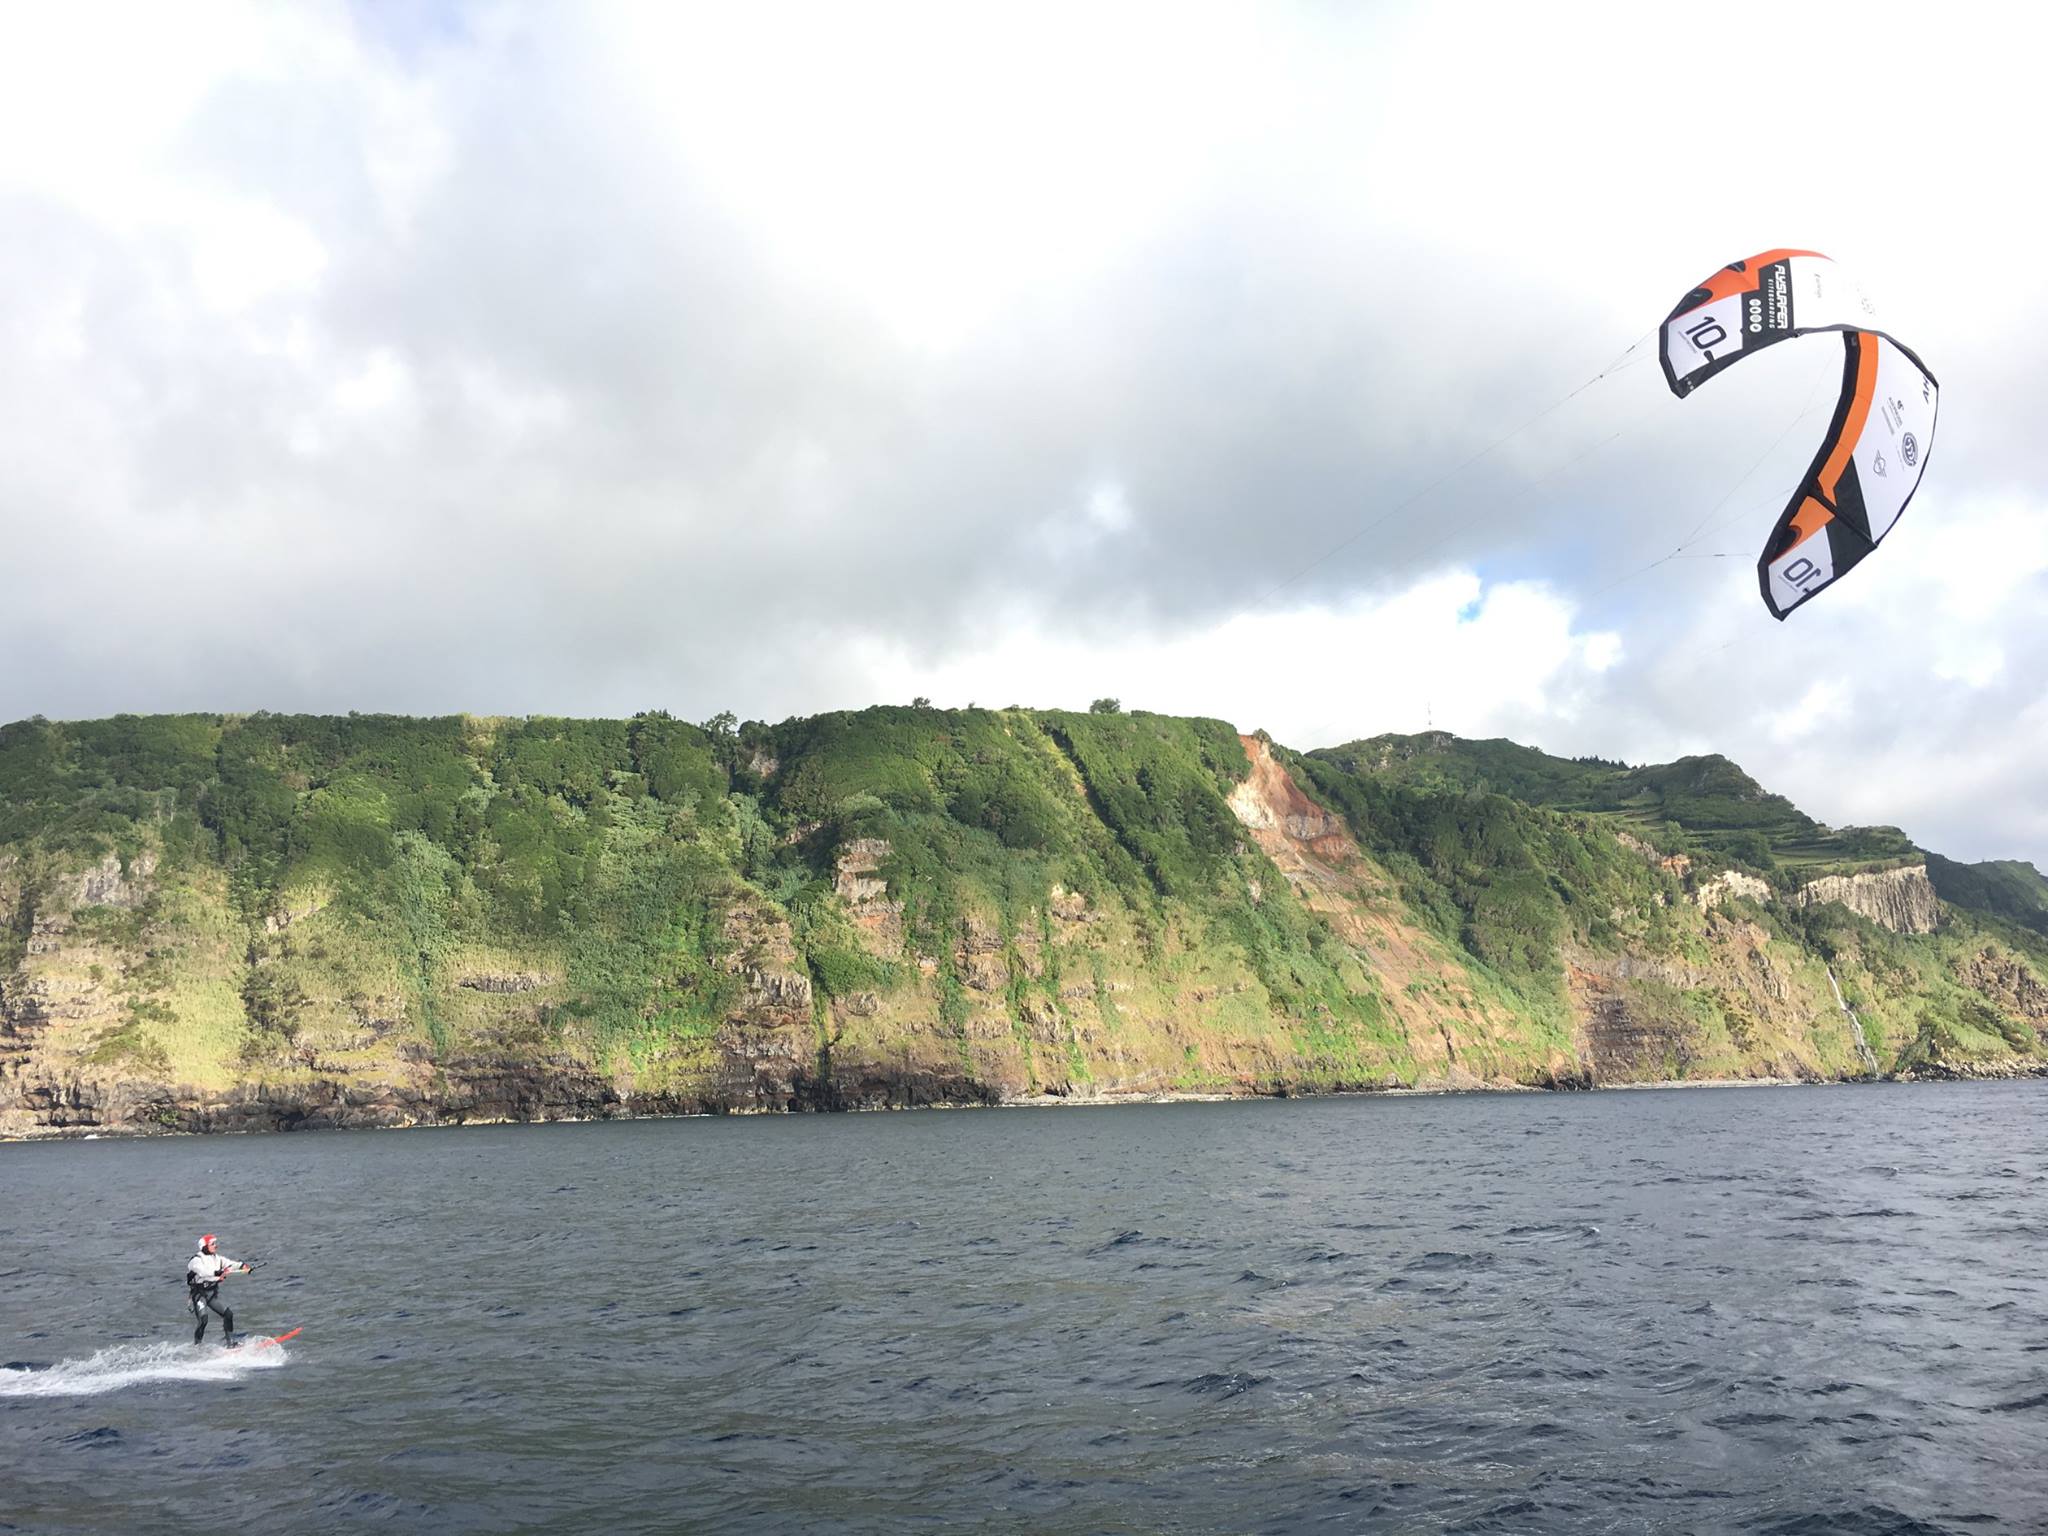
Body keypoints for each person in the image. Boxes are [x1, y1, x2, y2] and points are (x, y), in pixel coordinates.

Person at [186, 1233, 252, 1346]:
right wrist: (218, 1273)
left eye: (215, 1244)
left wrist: (242, 1266)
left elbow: (230, 1264)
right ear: (205, 1246)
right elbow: (203, 1272)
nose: (215, 1246)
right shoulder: (196, 1260)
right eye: (212, 1244)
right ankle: (197, 1346)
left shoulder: (217, 1259)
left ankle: (230, 1343)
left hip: (211, 1294)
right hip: (199, 1295)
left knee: (228, 1314)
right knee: (203, 1320)